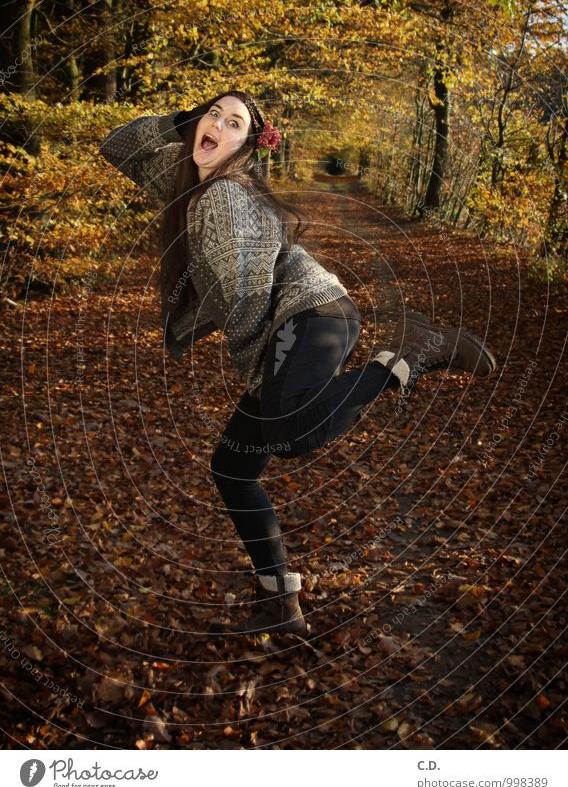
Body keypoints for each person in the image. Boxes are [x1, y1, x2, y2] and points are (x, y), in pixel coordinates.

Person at [99, 90, 496, 639]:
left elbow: (245, 297)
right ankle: (278, 597)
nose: (217, 124)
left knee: (290, 430)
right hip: (286, 334)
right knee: (233, 470)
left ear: (246, 147)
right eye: (213, 113)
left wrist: (233, 335)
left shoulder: (224, 196)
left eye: (234, 123)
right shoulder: (184, 177)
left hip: (313, 316)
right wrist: (180, 121)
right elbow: (114, 144)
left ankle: (412, 353)